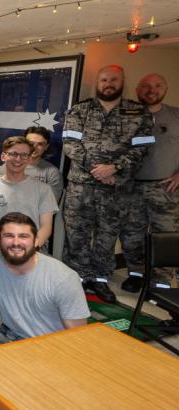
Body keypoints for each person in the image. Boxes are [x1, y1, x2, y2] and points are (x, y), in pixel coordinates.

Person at [61, 65, 154, 303]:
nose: (108, 84)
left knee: (107, 236)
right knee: (76, 234)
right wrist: (99, 170)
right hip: (81, 187)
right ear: (98, 82)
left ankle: (100, 280)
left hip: (117, 188)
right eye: (104, 80)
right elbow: (70, 144)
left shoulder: (139, 112)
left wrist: (114, 168)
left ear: (122, 82)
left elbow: (143, 148)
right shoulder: (80, 110)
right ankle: (78, 278)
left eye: (114, 80)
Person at [0, 212, 89, 343]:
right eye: (9, 236)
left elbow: (78, 336)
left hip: (52, 343)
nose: (16, 242)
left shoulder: (64, 279)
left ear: (36, 241)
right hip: (10, 335)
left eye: (23, 236)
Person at [120, 73, 179, 294]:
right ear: (137, 89)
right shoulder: (125, 115)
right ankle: (136, 275)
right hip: (130, 186)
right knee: (131, 234)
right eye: (145, 85)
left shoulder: (176, 116)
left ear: (165, 89)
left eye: (157, 85)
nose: (151, 90)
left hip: (165, 188)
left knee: (165, 235)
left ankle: (161, 282)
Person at [0, 136, 58, 261]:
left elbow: (46, 227)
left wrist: (31, 247)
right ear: (3, 156)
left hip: (33, 244)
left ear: (29, 159)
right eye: (13, 154)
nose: (18, 159)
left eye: (24, 155)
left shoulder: (44, 190)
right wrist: (6, 244)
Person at [0, 126, 63, 202]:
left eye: (40, 144)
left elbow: (50, 203)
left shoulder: (52, 173)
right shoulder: (8, 166)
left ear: (46, 147)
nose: (34, 147)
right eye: (31, 143)